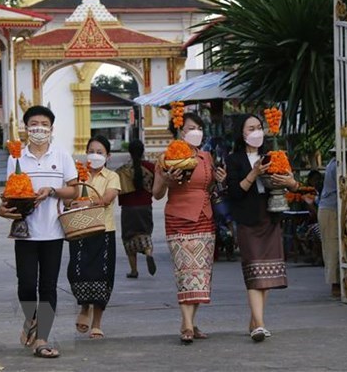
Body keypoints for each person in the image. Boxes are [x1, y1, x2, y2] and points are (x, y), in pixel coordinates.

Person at [0, 105, 78, 358]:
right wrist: (2, 209)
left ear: (51, 128)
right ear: (26, 128)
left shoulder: (61, 155)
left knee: (49, 286)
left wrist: (52, 191)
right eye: (34, 124)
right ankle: (31, 321)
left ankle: (42, 338)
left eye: (44, 124)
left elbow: (74, 190)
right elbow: (11, 193)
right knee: (26, 285)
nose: (39, 128)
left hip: (54, 231)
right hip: (26, 231)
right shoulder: (16, 158)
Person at [152, 112, 227, 344]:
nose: (196, 132)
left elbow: (211, 186)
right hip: (179, 216)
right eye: (190, 128)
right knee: (185, 271)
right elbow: (156, 194)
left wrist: (220, 179)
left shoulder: (206, 157)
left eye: (199, 127)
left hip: (205, 216)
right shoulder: (166, 158)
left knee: (200, 273)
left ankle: (192, 322)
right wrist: (166, 178)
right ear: (180, 131)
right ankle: (186, 323)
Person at [225, 114, 300, 342]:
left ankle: (254, 321)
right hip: (248, 219)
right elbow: (235, 193)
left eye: (259, 127)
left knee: (266, 274)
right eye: (251, 128)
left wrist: (290, 183)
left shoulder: (273, 155)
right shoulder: (234, 160)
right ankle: (260, 324)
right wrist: (254, 173)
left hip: (270, 216)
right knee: (253, 270)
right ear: (242, 133)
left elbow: (293, 183)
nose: (256, 131)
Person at [67, 135, 121, 339]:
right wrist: (71, 204)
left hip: (104, 231)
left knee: (102, 276)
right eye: (92, 151)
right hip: (80, 230)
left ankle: (97, 323)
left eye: (100, 152)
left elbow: (107, 199)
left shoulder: (112, 176)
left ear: (108, 156)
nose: (95, 155)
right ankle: (84, 308)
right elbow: (70, 197)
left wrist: (87, 203)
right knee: (78, 272)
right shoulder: (78, 175)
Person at [116, 139, 156, 278]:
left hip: (128, 208)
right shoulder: (151, 167)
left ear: (130, 152)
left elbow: (118, 189)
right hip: (145, 206)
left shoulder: (123, 170)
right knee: (145, 232)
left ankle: (134, 270)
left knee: (128, 237)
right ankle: (148, 251)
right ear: (143, 150)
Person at [317, 150, 339, 297]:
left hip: (331, 209)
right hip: (330, 209)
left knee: (335, 246)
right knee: (332, 248)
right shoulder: (336, 165)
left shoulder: (334, 164)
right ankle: (335, 283)